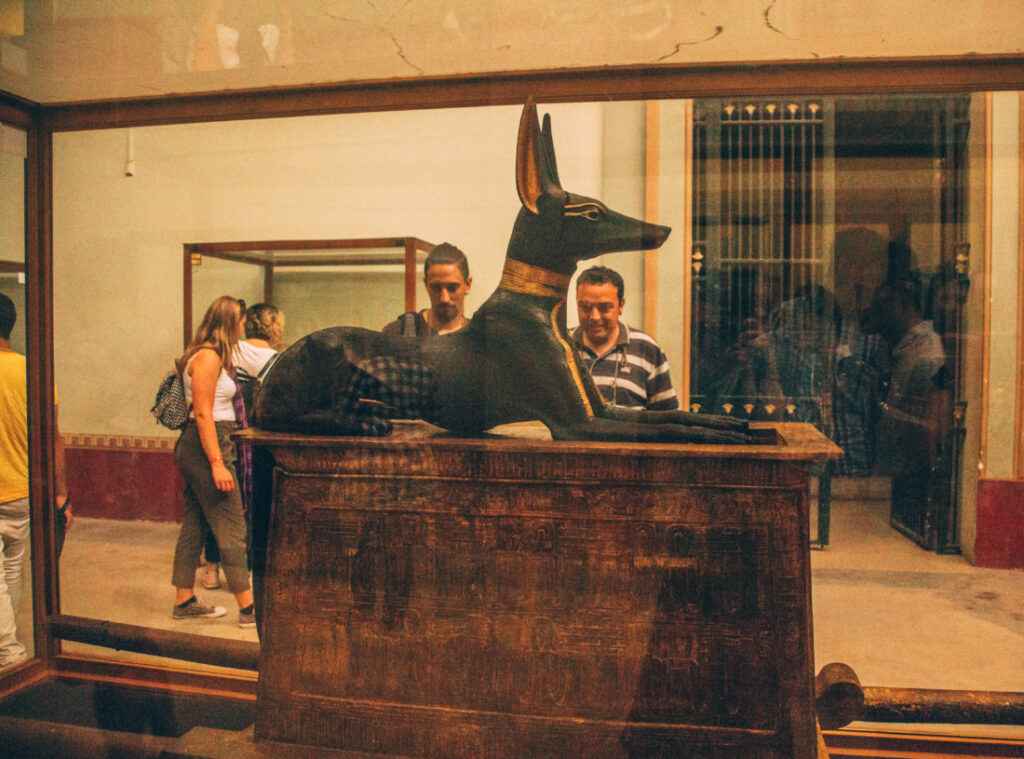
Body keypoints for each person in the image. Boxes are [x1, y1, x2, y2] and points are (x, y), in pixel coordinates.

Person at [171, 295, 255, 628]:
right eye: (241, 321)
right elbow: (203, 413)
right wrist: (217, 463)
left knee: (195, 523)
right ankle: (249, 609)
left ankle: (184, 600)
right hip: (207, 445)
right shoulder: (207, 358)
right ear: (229, 322)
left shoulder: (208, 354)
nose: (244, 326)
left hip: (203, 445)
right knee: (232, 527)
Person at [0, 293, 69, 673]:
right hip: (25, 493)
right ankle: (8, 647)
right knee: (11, 569)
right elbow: (53, 436)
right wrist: (62, 493)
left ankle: (8, 652)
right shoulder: (34, 372)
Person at [200, 303, 283, 590]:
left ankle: (211, 569)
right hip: (256, 439)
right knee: (253, 505)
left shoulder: (231, 350)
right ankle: (249, 570)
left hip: (225, 433)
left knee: (221, 504)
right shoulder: (274, 358)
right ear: (274, 325)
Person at [864, 277, 951, 542]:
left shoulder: (928, 353)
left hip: (910, 481)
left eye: (882, 306)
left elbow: (934, 424)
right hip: (893, 486)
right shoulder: (900, 348)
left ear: (901, 303)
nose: (876, 314)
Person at [571, 265, 678, 410]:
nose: (594, 317)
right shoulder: (561, 344)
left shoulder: (646, 349)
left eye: (604, 308)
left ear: (621, 305)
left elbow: (668, 417)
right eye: (586, 307)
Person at [382, 243, 472, 337]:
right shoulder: (396, 332)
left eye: (452, 288)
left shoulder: (479, 338)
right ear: (426, 284)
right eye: (436, 288)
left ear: (468, 284)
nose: (444, 298)